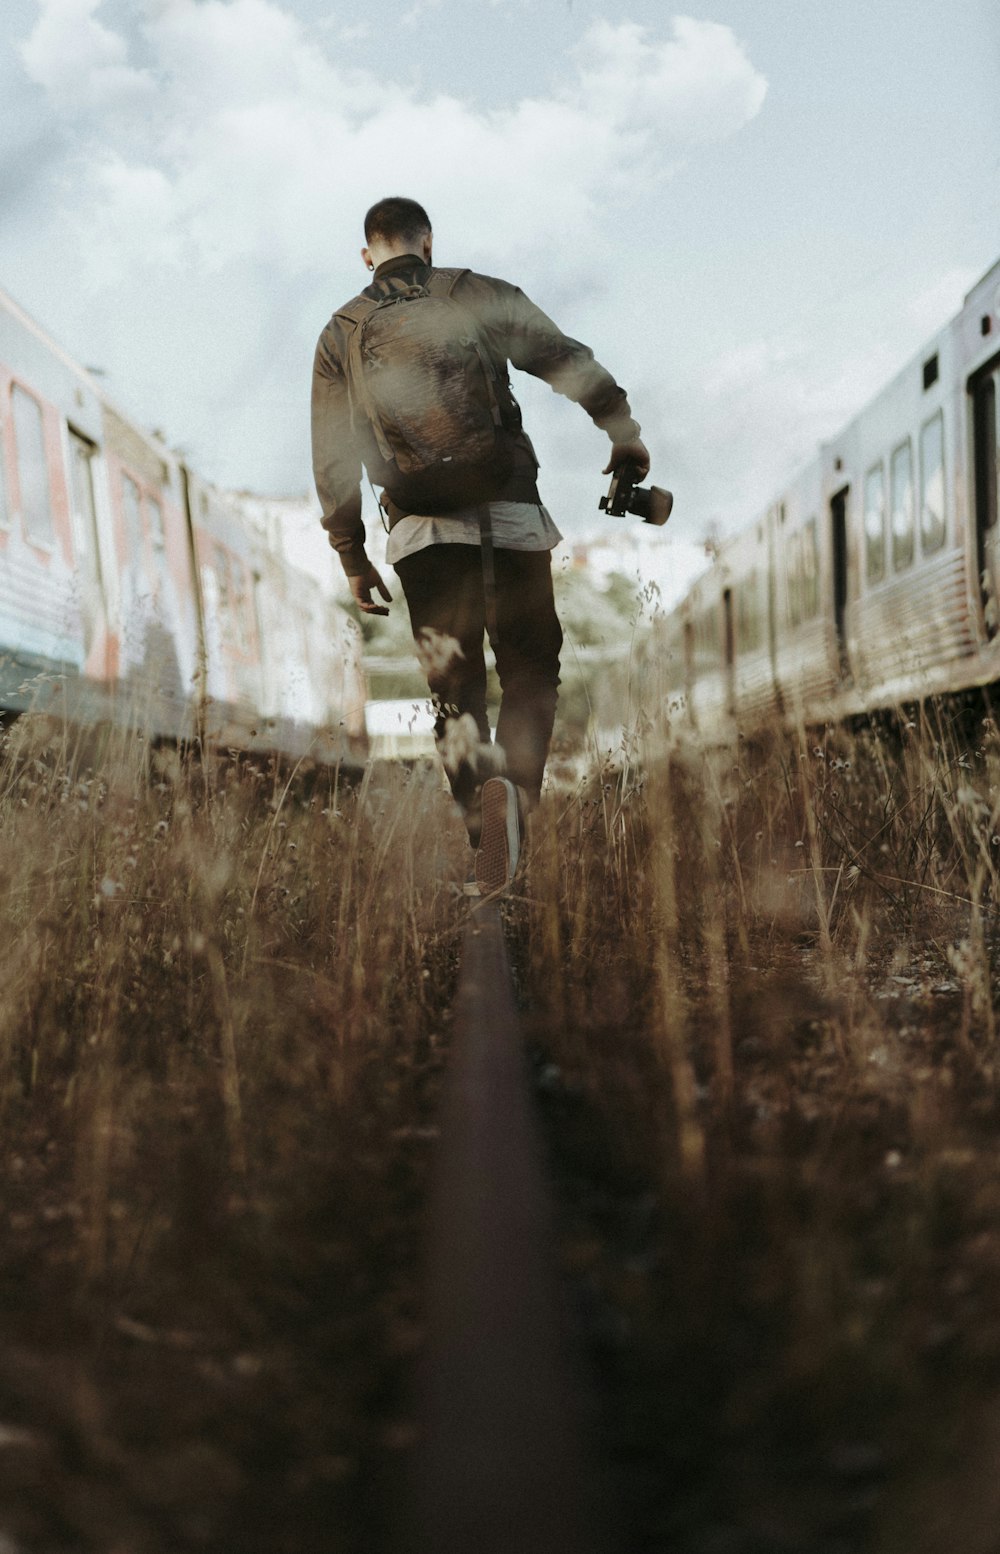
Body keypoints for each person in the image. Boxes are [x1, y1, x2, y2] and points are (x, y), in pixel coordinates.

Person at [311, 195, 649, 892]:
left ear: (367, 253)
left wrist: (352, 555)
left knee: (454, 688)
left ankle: (483, 829)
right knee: (530, 668)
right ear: (427, 244)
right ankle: (518, 798)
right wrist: (620, 429)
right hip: (512, 515)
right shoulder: (474, 293)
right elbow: (560, 357)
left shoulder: (342, 330)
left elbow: (332, 454)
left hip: (422, 533)